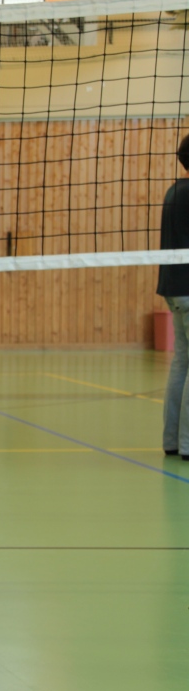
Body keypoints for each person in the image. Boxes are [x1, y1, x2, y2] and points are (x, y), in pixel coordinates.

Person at [160, 134, 189, 460]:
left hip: (173, 287)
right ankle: (187, 444)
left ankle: (173, 441)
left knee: (182, 362)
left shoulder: (173, 190)